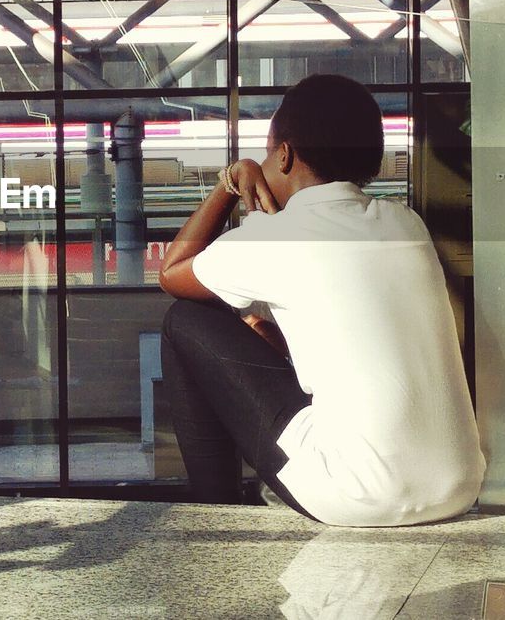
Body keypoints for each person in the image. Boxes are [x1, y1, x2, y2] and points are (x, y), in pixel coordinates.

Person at [157, 74, 485, 527]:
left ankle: (218, 517)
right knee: (262, 329)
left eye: (273, 153)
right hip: (458, 484)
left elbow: (173, 273)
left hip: (357, 494)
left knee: (184, 321)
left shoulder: (277, 237)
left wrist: (233, 181)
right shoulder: (406, 224)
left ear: (285, 155)